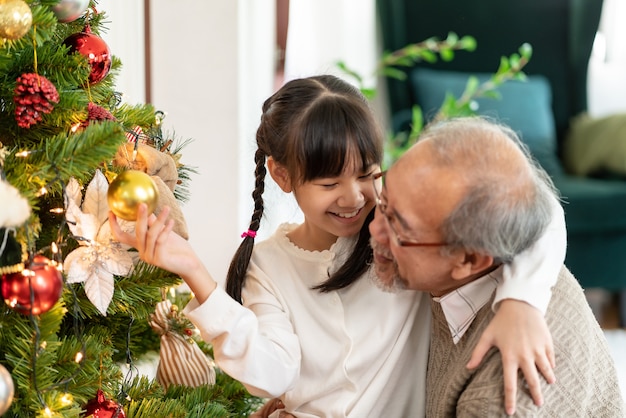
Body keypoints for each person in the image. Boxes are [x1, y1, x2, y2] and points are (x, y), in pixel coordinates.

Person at [109, 75, 564, 417]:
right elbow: (272, 374)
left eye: (367, 174)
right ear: (283, 176)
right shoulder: (268, 264)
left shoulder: (396, 241)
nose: (355, 198)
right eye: (330, 182)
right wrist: (194, 270)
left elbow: (538, 213)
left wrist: (521, 301)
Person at [369, 116, 626, 417]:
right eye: (383, 200)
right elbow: (541, 203)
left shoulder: (501, 398)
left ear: (469, 260)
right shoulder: (500, 253)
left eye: (398, 228)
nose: (375, 229)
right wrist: (522, 298)